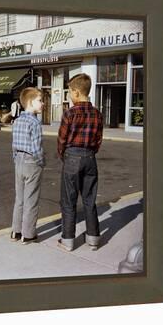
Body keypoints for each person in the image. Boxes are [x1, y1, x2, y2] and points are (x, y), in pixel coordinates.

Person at [57, 73, 103, 252]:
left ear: (76, 92)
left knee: (69, 200)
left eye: (69, 92)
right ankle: (93, 237)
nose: (69, 95)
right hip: (90, 157)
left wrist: (64, 155)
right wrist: (89, 153)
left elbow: (62, 140)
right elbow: (99, 140)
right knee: (89, 199)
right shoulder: (97, 114)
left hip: (72, 157)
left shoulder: (69, 113)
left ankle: (68, 239)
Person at [10, 87, 45, 244]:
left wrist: (16, 158)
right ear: (30, 102)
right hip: (32, 162)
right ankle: (28, 234)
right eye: (40, 100)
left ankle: (16, 231)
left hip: (19, 161)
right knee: (31, 199)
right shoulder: (35, 122)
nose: (43, 103)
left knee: (20, 198)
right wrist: (41, 162)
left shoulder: (17, 121)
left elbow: (14, 144)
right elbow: (37, 147)